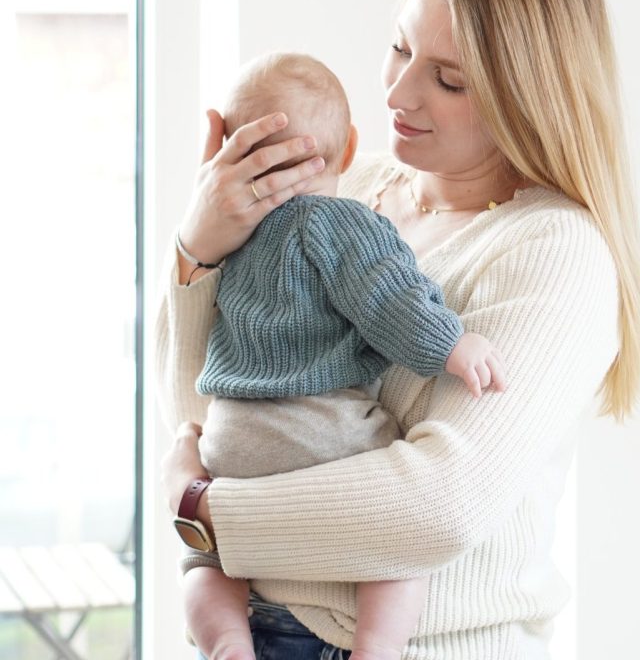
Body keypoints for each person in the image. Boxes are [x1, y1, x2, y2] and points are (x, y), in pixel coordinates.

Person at [158, 0, 640, 660]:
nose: (396, 90)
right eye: (399, 47)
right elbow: (214, 413)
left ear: (527, 97)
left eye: (448, 79)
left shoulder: (555, 251)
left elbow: (436, 507)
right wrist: (198, 251)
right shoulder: (347, 196)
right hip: (250, 626)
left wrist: (203, 512)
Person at [177, 50, 507, 660]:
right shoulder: (343, 222)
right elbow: (388, 299)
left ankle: (225, 640)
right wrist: (451, 344)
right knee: (399, 551)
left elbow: (192, 373)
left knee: (204, 556)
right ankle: (377, 648)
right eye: (401, 50)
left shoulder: (237, 237)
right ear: (349, 149)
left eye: (448, 77)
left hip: (228, 437)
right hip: (316, 430)